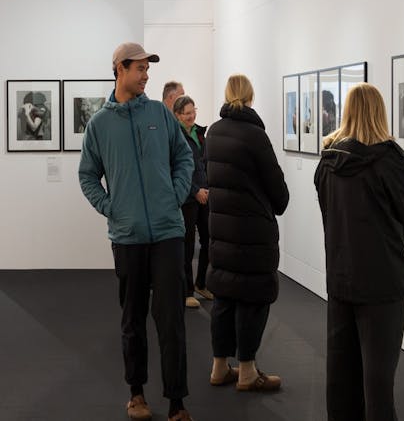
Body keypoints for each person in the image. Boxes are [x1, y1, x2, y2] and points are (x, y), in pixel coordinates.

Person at [79, 42, 195, 421]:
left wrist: (176, 194)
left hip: (167, 234)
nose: (146, 75)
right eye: (140, 68)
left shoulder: (160, 114)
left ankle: (177, 401)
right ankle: (137, 394)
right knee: (133, 321)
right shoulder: (99, 125)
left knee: (171, 321)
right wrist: (111, 208)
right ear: (120, 69)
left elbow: (184, 156)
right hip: (128, 238)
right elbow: (87, 176)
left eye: (148, 68)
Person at [314, 83, 404, 421]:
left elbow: (328, 216)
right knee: (378, 384)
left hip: (341, 278)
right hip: (383, 282)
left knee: (341, 380)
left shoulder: (328, 163)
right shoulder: (390, 162)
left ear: (346, 112)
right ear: (379, 112)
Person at [204, 74, 288, 393]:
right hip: (253, 232)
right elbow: (278, 193)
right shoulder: (255, 135)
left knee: (224, 296)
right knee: (253, 297)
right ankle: (248, 372)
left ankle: (219, 367)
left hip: (221, 230)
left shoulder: (213, 132)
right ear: (251, 97)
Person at [172, 95, 211, 309]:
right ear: (177, 115)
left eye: (193, 111)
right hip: (187, 198)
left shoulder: (199, 133)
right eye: (187, 113)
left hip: (205, 195)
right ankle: (187, 291)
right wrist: (195, 191)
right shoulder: (174, 136)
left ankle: (201, 283)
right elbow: (176, 170)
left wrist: (207, 188)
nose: (191, 116)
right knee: (187, 246)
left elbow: (203, 164)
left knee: (209, 240)